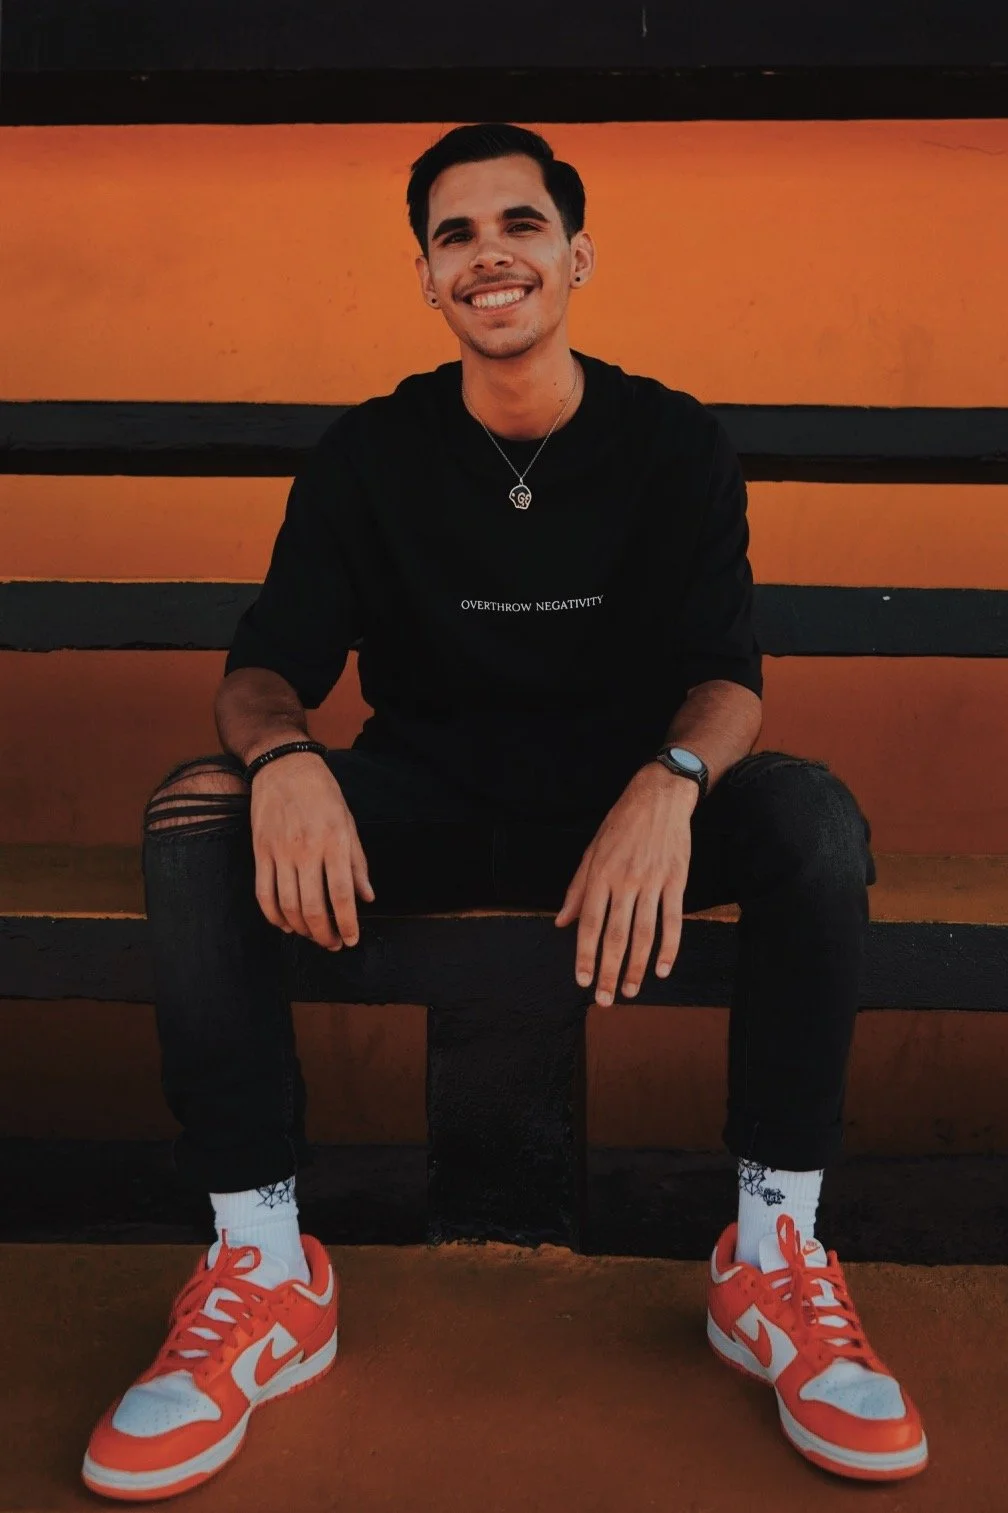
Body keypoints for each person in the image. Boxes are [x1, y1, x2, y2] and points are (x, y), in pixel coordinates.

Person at [81, 122, 927, 1500]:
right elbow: (260, 675)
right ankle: (266, 1266)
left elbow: (728, 682)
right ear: (427, 278)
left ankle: (772, 1259)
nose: (491, 255)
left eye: (520, 225)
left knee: (814, 825)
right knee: (196, 812)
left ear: (576, 254)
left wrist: (671, 783)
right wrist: (283, 761)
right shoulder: (368, 457)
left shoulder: (670, 444)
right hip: (428, 800)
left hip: (626, 817)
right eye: (456, 235)